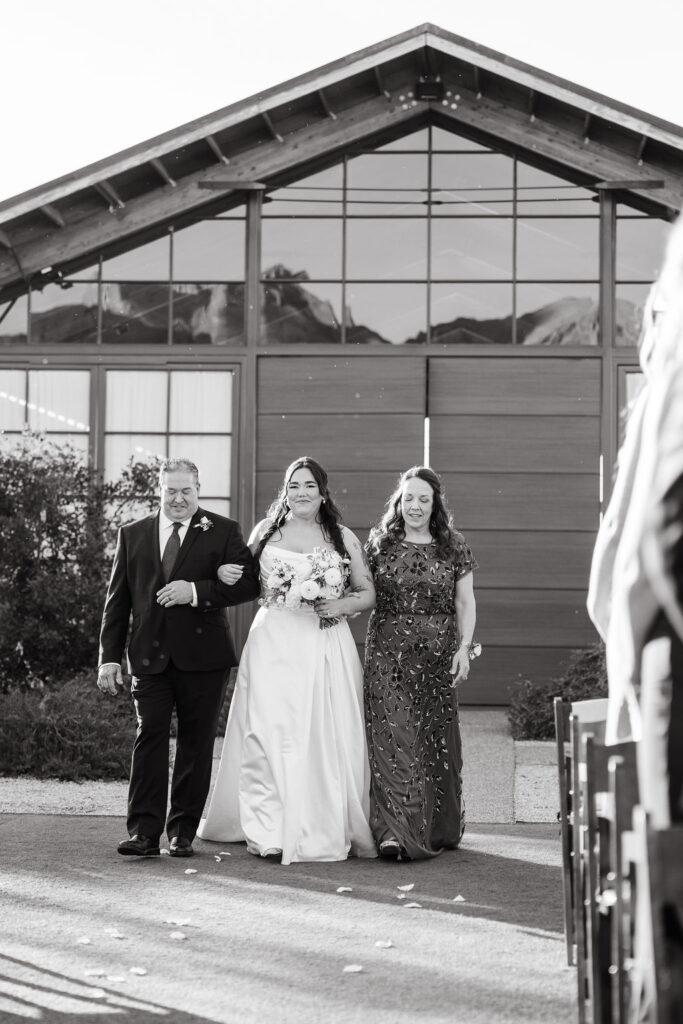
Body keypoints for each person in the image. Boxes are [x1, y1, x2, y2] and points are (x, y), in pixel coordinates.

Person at [197, 456, 377, 864]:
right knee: (267, 730)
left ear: (322, 492)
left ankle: (321, 820)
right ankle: (268, 827)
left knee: (322, 732)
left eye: (310, 485)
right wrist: (220, 574)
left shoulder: (342, 536)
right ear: (285, 491)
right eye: (294, 485)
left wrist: (341, 602)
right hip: (273, 641)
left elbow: (368, 593)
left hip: (323, 644)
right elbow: (243, 580)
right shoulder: (267, 532)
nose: (301, 493)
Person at [97, 457, 259, 858]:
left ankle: (182, 831)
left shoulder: (222, 531)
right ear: (159, 490)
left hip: (204, 657)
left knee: (196, 742)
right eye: (171, 491)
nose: (179, 499)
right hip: (149, 658)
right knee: (148, 736)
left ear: (198, 489)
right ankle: (144, 833)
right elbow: (117, 603)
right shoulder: (132, 534)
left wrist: (198, 590)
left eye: (187, 491)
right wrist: (109, 657)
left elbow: (251, 584)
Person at [363, 466, 478, 860]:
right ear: (398, 501)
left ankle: (436, 828)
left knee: (433, 743)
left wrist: (464, 647)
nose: (414, 505)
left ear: (435, 505)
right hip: (386, 654)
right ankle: (395, 833)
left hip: (437, 658)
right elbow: (360, 592)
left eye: (423, 499)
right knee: (394, 741)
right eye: (408, 497)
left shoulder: (453, 545)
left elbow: (465, 601)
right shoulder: (379, 543)